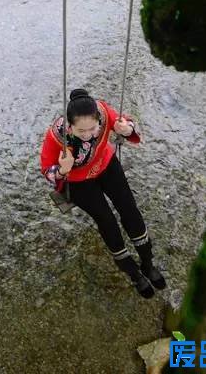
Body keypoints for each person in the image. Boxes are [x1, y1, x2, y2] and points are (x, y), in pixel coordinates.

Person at [40, 88, 166, 298]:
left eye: (93, 128)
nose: (89, 134)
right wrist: (62, 169)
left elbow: (125, 123)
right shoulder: (56, 137)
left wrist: (125, 129)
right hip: (78, 181)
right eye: (82, 131)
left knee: (129, 209)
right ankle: (133, 273)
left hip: (106, 164)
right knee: (107, 221)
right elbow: (46, 169)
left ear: (99, 119)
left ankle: (147, 262)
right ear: (70, 127)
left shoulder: (103, 112)